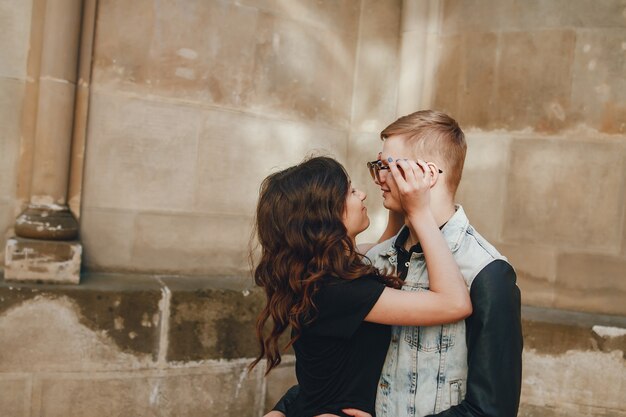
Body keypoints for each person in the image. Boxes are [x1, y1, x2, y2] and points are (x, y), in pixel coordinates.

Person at [268, 111, 523, 417]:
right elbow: (334, 372)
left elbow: (491, 411)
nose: (377, 179)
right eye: (376, 166)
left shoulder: (487, 272)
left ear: (426, 175)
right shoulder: (370, 260)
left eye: (386, 166)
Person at [249, 155, 472, 417]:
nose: (363, 194)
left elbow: (382, 250)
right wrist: (420, 212)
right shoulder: (337, 291)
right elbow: (454, 303)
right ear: (326, 215)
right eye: (352, 191)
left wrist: (397, 192)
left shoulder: (322, 273)